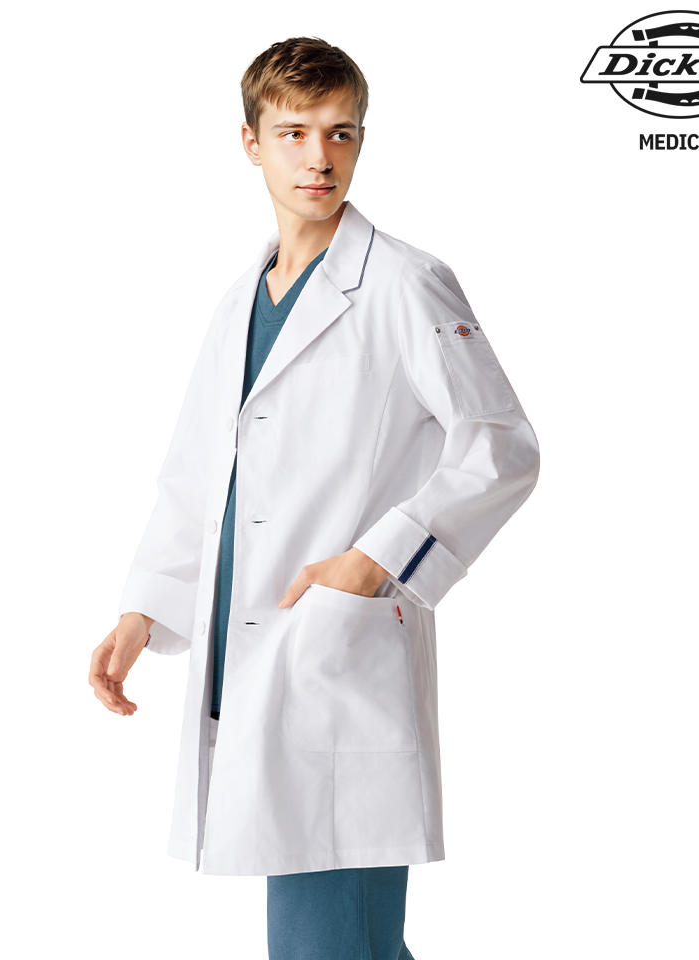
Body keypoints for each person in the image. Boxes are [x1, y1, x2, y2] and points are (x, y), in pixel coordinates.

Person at [89, 36, 540, 960]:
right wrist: (145, 610)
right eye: (294, 133)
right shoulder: (240, 302)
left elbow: (501, 446)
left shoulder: (405, 282)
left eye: (341, 132)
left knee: (331, 946)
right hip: (256, 657)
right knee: (334, 946)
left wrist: (376, 561)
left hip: (339, 654)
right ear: (250, 143)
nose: (319, 156)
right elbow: (199, 475)